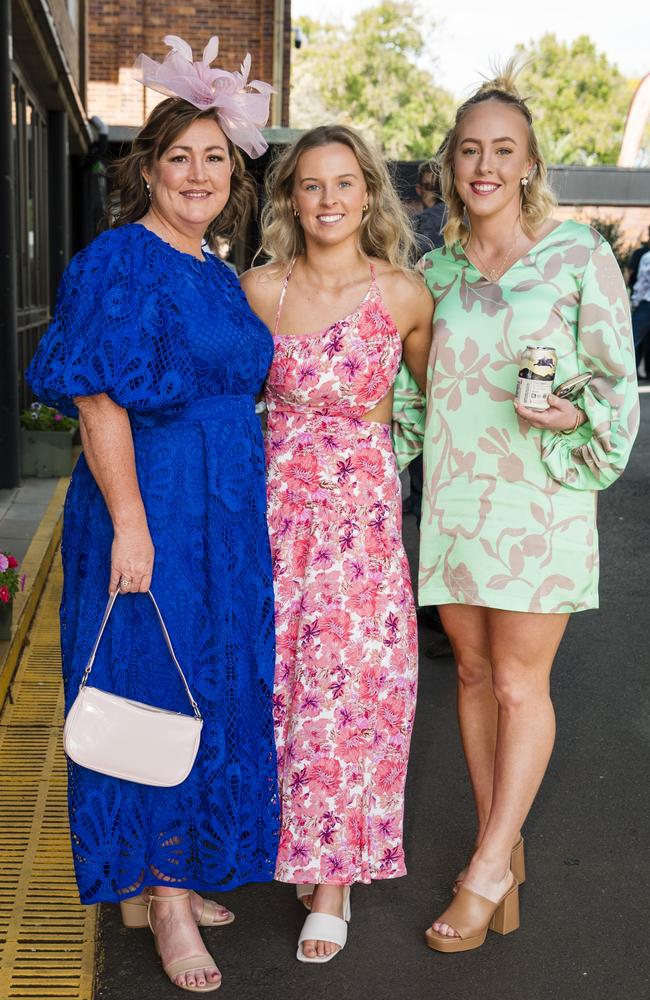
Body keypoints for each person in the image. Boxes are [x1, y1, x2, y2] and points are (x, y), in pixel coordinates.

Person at [27, 35, 278, 994]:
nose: (200, 173)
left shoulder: (215, 269)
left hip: (223, 513)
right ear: (148, 168)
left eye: (216, 158)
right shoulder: (119, 262)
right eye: (181, 157)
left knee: (206, 677)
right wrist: (131, 522)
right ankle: (164, 899)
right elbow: (98, 402)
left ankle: (170, 865)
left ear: (233, 172)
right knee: (149, 679)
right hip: (155, 503)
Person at [418, 63, 639, 953]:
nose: (484, 164)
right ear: (449, 164)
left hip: (542, 496)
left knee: (519, 682)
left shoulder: (577, 253)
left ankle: (484, 869)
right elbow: (405, 392)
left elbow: (617, 384)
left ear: (529, 162)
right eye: (470, 148)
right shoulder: (430, 269)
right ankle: (499, 848)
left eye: (502, 149)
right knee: (472, 678)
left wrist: (573, 412)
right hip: (457, 500)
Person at [241, 124, 433, 963]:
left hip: (358, 524)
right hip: (274, 514)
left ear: (368, 194)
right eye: (311, 185)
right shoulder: (257, 291)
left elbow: (446, 404)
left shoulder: (403, 294)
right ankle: (300, 838)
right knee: (279, 680)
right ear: (290, 196)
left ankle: (334, 880)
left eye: (344, 183)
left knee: (350, 691)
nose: (328, 200)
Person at [631, 248, 650, 379]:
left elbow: (642, 283)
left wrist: (635, 302)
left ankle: (629, 374)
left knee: (632, 340)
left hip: (647, 303)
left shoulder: (647, 257)